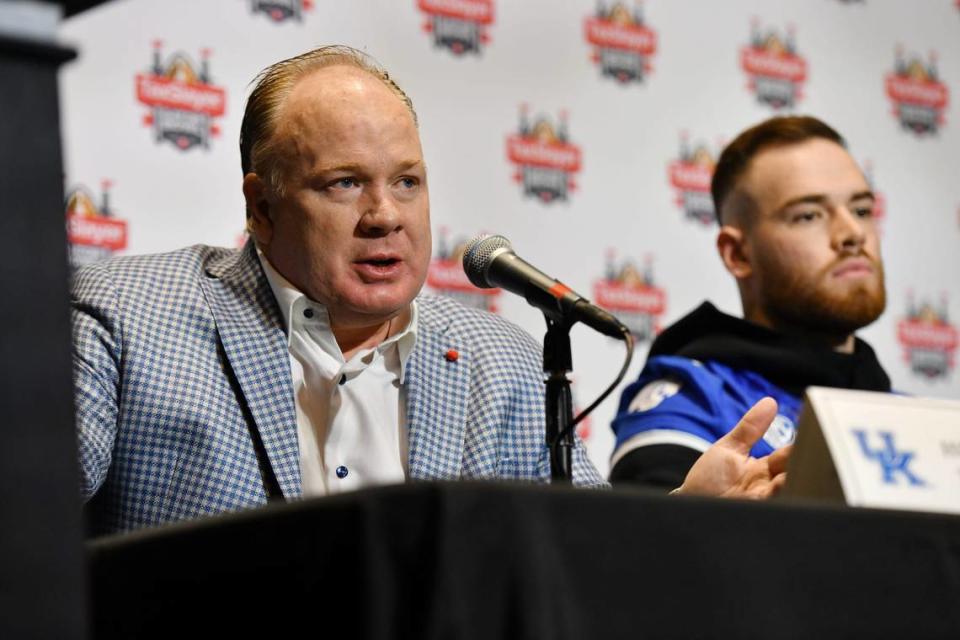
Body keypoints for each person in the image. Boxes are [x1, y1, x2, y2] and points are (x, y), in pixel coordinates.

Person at [73, 46, 785, 535]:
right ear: (262, 207)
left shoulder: (501, 364)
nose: (385, 215)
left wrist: (689, 515)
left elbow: (581, 570)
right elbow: (26, 538)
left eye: (406, 182)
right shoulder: (127, 319)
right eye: (345, 183)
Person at [609, 116, 891, 490]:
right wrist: (694, 512)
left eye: (861, 210)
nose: (853, 234)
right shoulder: (690, 400)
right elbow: (640, 541)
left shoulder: (907, 411)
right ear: (738, 253)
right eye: (809, 215)